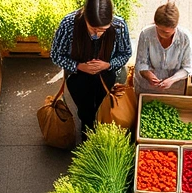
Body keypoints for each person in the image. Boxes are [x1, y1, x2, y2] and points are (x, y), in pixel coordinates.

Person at [51, 0, 132, 141]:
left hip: (106, 74)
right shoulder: (69, 24)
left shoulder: (119, 25)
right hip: (78, 75)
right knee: (85, 109)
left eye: (103, 30)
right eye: (93, 29)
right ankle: (86, 125)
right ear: (85, 18)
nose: (98, 34)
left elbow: (126, 53)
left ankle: (102, 123)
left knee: (104, 106)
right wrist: (78, 66)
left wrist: (108, 64)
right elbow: (56, 54)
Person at [133, 2, 192, 95]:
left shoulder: (185, 38)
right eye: (159, 30)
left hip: (174, 87)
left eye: (167, 32)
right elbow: (141, 62)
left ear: (175, 27)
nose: (163, 34)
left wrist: (172, 80)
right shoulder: (146, 34)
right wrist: (148, 75)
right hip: (147, 87)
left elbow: (188, 68)